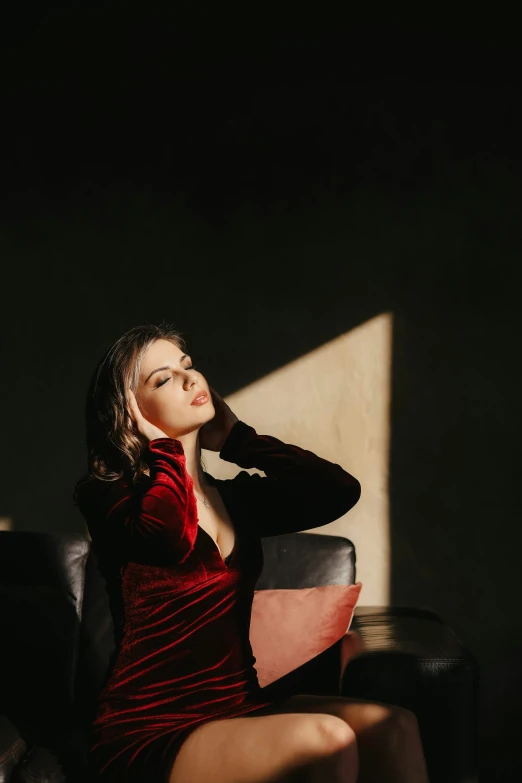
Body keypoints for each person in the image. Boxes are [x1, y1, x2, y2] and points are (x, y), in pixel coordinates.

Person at [73, 322, 430, 783]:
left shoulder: (236, 502)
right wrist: (164, 450)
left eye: (187, 366)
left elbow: (337, 491)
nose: (189, 379)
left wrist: (240, 439)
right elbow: (169, 538)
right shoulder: (110, 496)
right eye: (162, 379)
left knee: (395, 727)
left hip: (240, 704)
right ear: (130, 415)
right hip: (150, 726)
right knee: (327, 738)